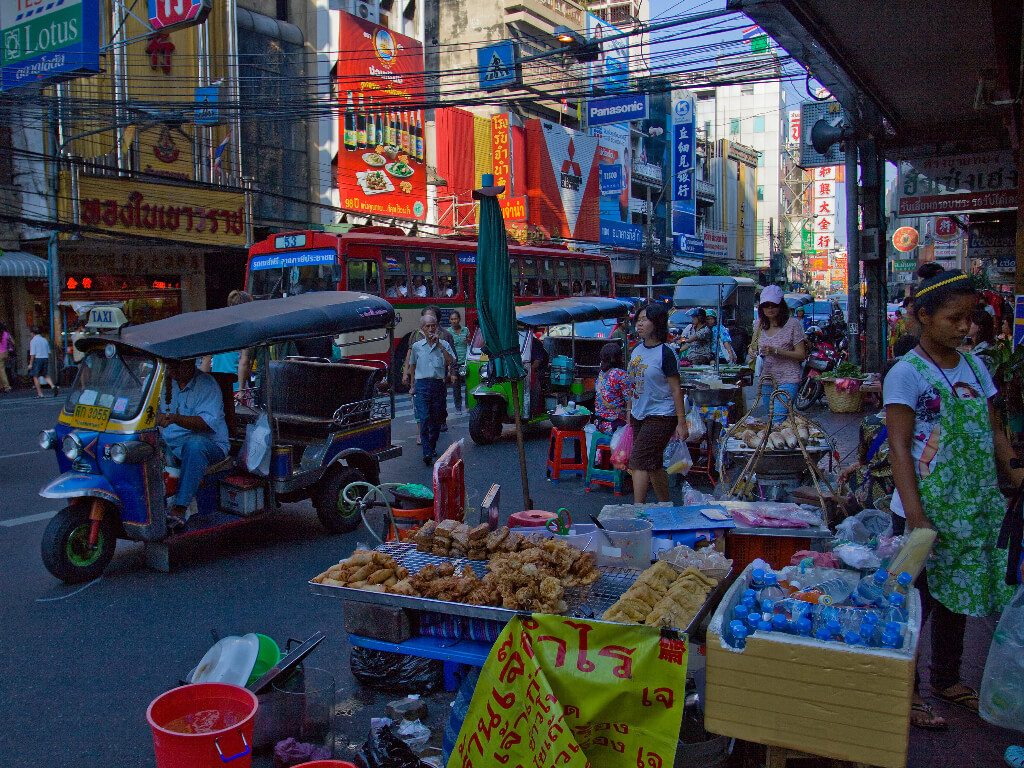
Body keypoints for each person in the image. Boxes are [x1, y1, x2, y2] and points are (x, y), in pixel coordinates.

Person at [884, 267, 1022, 730]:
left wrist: (1015, 473)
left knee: (956, 597)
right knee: (914, 607)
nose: (965, 326)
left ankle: (946, 678)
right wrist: (918, 517)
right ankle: (906, 691)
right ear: (925, 317)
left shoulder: (974, 366)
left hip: (971, 504)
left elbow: (994, 430)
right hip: (923, 508)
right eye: (954, 318)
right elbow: (900, 447)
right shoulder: (905, 373)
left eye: (969, 317)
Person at [626, 304, 688, 503]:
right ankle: (665, 504)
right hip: (638, 413)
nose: (640, 324)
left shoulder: (666, 353)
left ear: (657, 323)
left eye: (645, 319)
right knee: (652, 463)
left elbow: (676, 389)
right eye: (639, 320)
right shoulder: (636, 351)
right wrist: (629, 412)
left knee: (638, 461)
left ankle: (638, 510)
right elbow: (633, 383)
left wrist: (681, 422)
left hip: (662, 414)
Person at [157, 358, 230, 527]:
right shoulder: (165, 384)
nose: (172, 370)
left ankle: (180, 507)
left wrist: (174, 418)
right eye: (170, 365)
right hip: (170, 442)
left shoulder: (206, 385)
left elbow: (205, 424)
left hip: (210, 445)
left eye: (176, 365)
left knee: (194, 446)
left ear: (190, 364)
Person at [407, 313, 456, 465]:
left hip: (438, 385)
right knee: (424, 418)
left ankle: (432, 445)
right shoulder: (416, 347)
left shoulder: (444, 344)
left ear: (437, 327)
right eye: (427, 326)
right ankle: (426, 452)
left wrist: (440, 346)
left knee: (436, 420)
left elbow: (451, 361)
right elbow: (412, 365)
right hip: (422, 385)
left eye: (433, 326)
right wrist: (412, 385)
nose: (430, 329)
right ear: (422, 329)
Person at [755, 285, 806, 423]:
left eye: (774, 305)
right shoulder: (759, 325)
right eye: (766, 305)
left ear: (781, 305)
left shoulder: (793, 324)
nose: (770, 309)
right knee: (771, 419)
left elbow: (801, 355)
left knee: (777, 419)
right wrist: (754, 352)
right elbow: (753, 347)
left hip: (788, 378)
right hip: (767, 379)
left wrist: (776, 351)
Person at [200, 290, 253, 392]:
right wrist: (241, 389)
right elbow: (244, 361)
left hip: (216, 385)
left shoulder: (217, 328)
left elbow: (206, 360)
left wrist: (203, 388)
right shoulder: (245, 329)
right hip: (235, 386)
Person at [594, 342, 627, 435]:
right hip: (614, 425)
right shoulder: (620, 374)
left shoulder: (601, 373)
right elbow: (630, 401)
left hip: (598, 423)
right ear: (617, 357)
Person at [448, 310, 470, 412]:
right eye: (452, 319)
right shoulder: (448, 332)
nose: (454, 321)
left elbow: (469, 343)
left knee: (467, 385)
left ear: (459, 319)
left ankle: (467, 405)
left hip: (465, 361)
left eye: (455, 319)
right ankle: (458, 406)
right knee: (456, 386)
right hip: (454, 363)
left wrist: (468, 341)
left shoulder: (465, 330)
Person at [29, 326, 58, 398]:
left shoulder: (33, 341)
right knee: (45, 374)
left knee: (35, 376)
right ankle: (53, 386)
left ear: (33, 333)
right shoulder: (44, 340)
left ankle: (40, 393)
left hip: (38, 359)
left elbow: (32, 354)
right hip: (45, 358)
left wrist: (30, 364)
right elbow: (48, 352)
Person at [0, 322, 13, 393]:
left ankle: (7, 386)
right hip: (5, 353)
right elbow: (13, 342)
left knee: (2, 371)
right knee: (2, 369)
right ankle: (2, 386)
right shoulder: (6, 334)